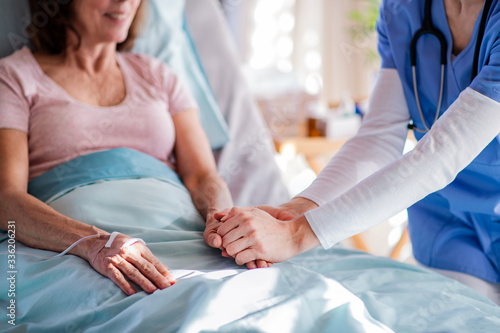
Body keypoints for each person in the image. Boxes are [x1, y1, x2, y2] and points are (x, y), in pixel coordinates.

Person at [216, 0, 500, 305]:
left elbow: (443, 154)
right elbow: (378, 137)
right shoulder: (404, 8)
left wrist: (298, 235)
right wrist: (300, 208)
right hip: (447, 222)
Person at [0, 0, 270, 296]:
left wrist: (222, 221)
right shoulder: (14, 77)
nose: (125, 2)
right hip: (79, 252)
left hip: (187, 237)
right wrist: (94, 243)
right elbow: (7, 199)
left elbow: (202, 175)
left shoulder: (159, 75)